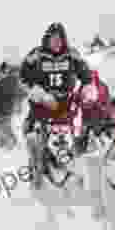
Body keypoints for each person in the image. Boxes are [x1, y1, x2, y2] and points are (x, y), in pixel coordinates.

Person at [19, 22, 97, 189]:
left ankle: (80, 171)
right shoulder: (36, 55)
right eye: (53, 39)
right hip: (41, 106)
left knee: (82, 132)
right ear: (47, 39)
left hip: (66, 106)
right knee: (30, 134)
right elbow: (23, 78)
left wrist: (87, 90)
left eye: (59, 39)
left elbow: (87, 76)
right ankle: (36, 174)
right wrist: (39, 94)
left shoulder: (72, 54)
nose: (56, 43)